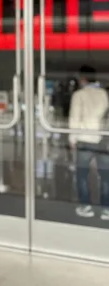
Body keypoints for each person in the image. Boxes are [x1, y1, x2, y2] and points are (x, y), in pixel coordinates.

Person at [69, 65, 109, 220]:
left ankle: (86, 206)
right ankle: (106, 209)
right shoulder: (103, 94)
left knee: (82, 175)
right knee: (105, 175)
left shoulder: (79, 95)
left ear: (82, 79)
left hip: (84, 139)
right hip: (102, 139)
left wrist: (72, 138)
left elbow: (74, 118)